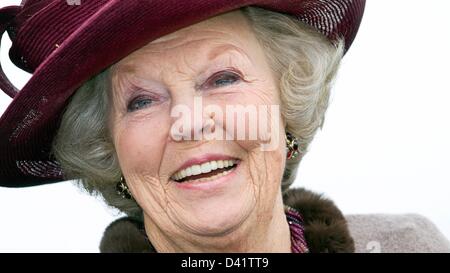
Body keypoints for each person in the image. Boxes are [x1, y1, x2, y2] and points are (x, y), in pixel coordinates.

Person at [1, 0, 448, 253]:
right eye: (141, 101)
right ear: (107, 148)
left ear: (287, 105)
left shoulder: (411, 246)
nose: (191, 124)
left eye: (224, 79)